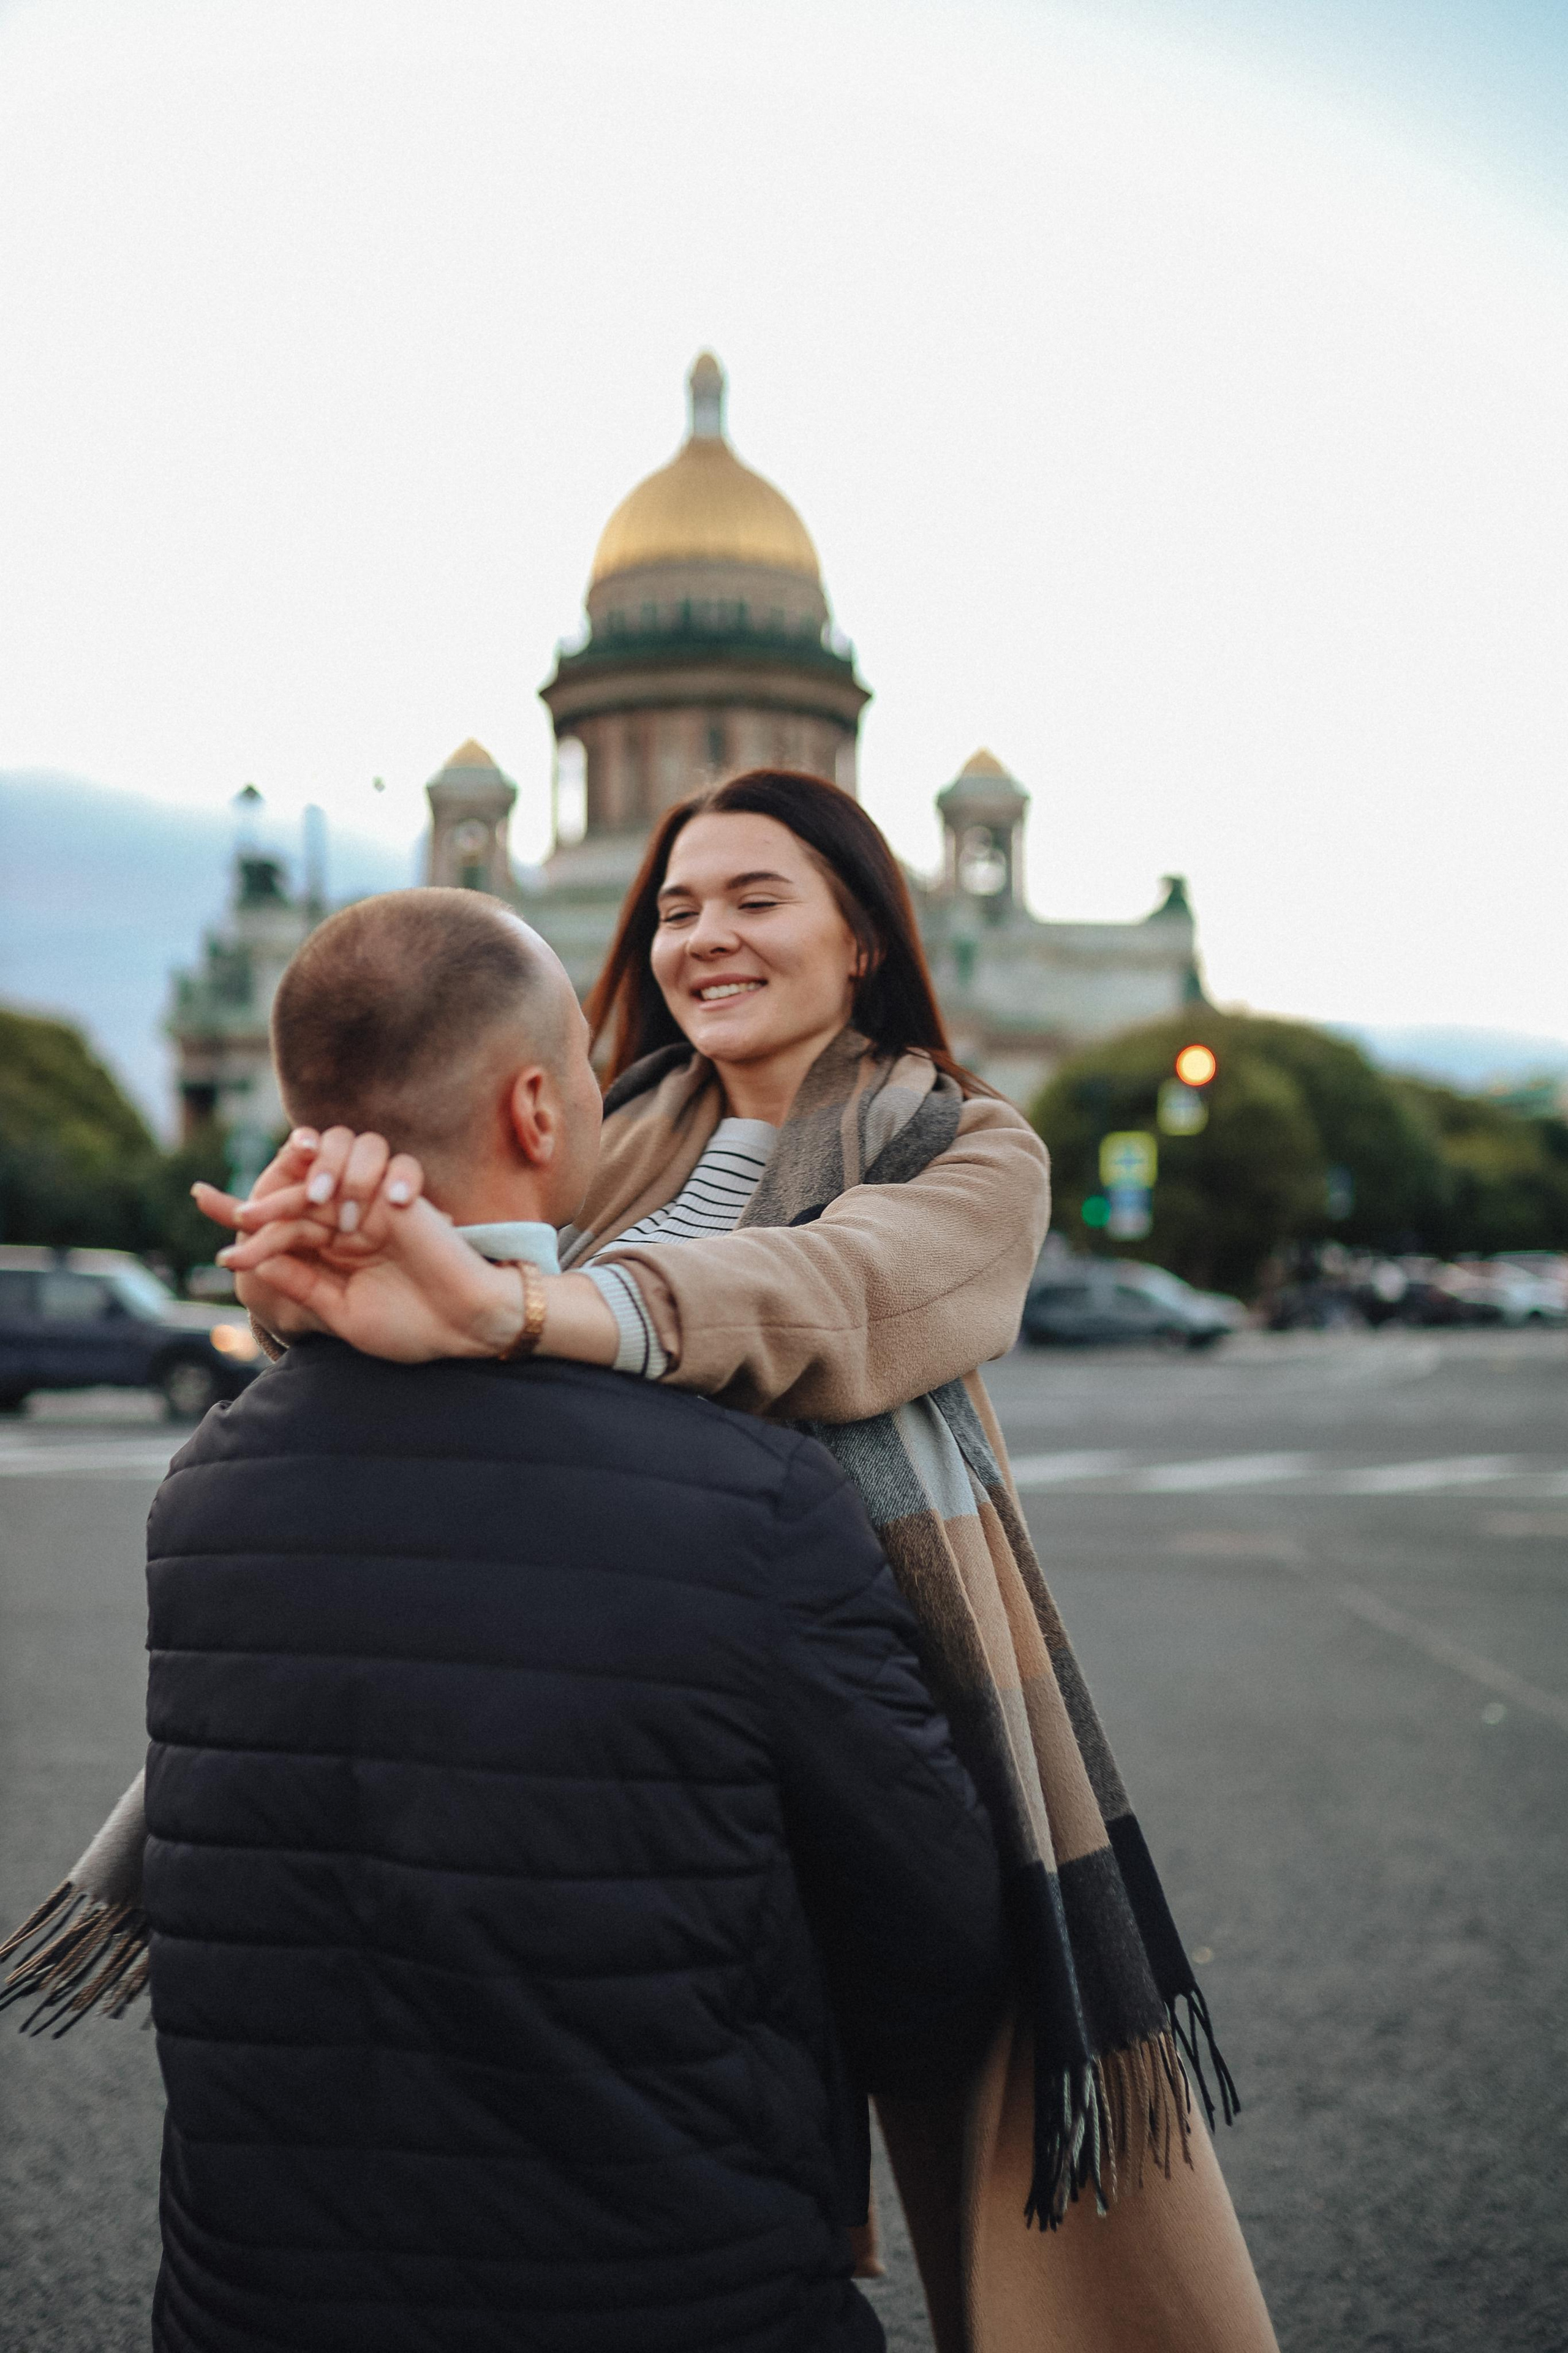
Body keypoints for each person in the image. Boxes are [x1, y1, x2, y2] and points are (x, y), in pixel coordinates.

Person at [210, 772, 1278, 2353]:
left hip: (880, 1718)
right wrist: (318, 1271)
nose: (702, 936)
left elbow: (829, 1293)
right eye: (676, 906)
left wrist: (529, 1310)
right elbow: (446, 1303)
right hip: (628, 1736)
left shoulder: (965, 1150)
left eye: (755, 899)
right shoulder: (594, 1123)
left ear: (861, 932)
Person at [148, 888, 1008, 2353]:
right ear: (540, 1107)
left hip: (259, 2307)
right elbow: (936, 1958)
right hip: (679, 2296)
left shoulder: (207, 1490)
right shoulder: (753, 1495)